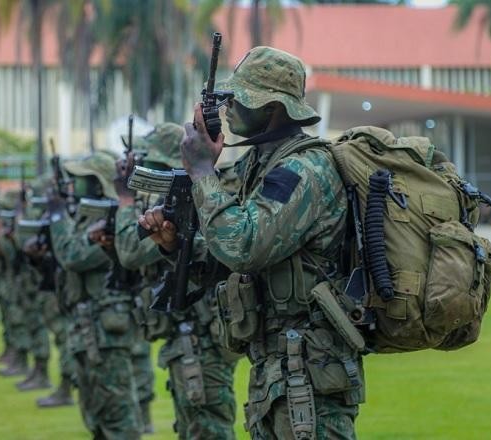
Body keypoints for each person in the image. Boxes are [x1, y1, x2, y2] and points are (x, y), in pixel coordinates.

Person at [140, 46, 364, 439]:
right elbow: (229, 263)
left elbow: (243, 245)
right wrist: (175, 245)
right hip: (278, 368)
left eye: (238, 99)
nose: (228, 109)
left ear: (272, 108)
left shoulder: (302, 170)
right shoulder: (260, 167)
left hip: (310, 371)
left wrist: (203, 171)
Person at [114, 122, 238, 439]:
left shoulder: (188, 203)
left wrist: (126, 202)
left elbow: (130, 250)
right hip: (188, 339)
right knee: (191, 428)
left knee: (206, 429)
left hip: (200, 339)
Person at [50, 151, 143, 439]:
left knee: (116, 409)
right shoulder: (86, 218)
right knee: (94, 410)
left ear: (97, 183)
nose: (73, 186)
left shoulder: (114, 219)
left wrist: (56, 216)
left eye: (80, 180)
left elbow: (71, 256)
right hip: (86, 325)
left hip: (106, 328)